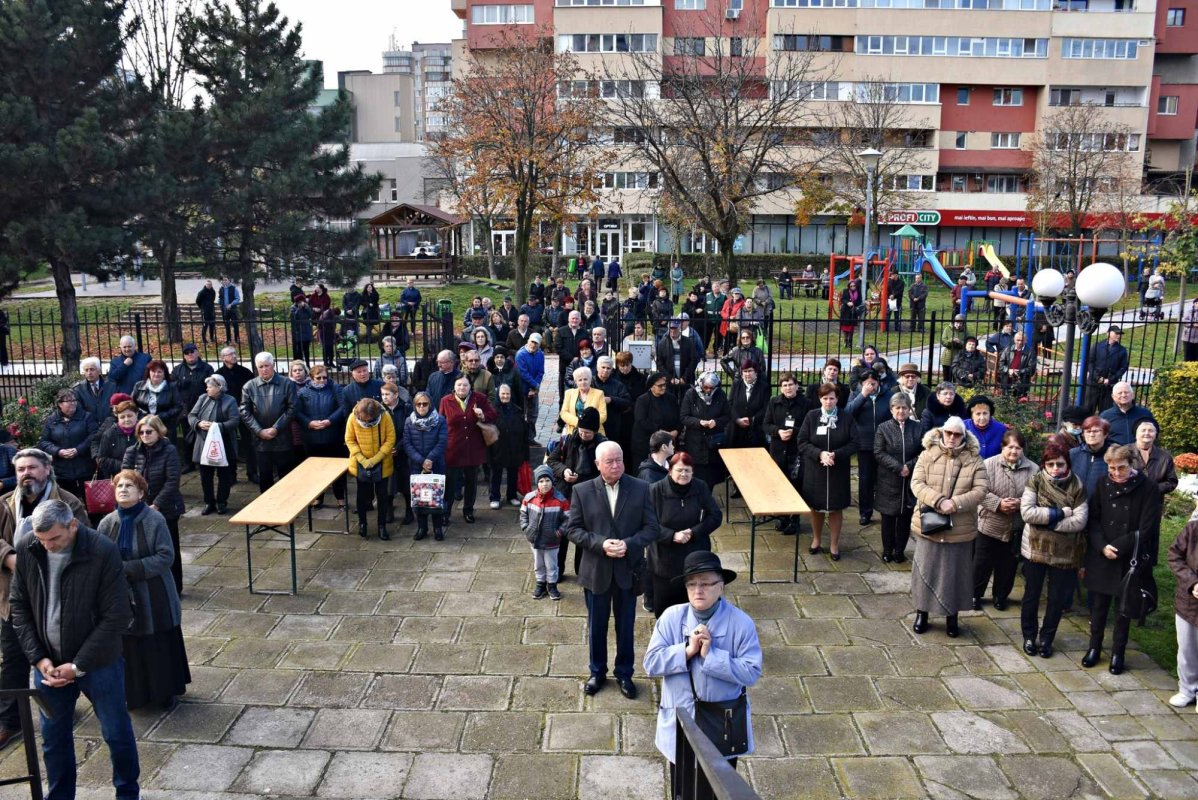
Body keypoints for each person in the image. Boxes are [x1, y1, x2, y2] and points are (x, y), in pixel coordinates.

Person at [10, 499, 139, 800]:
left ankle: (128, 794)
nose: (48, 546)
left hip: (99, 664)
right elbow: (19, 606)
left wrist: (77, 665)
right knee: (53, 741)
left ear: (73, 525)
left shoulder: (102, 551)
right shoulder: (30, 546)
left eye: (54, 538)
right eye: (42, 540)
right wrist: (38, 658)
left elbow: (117, 615)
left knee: (116, 733)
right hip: (48, 666)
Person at [643, 550, 762, 790]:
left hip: (722, 724)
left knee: (718, 787)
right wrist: (686, 651)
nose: (699, 590)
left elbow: (751, 672)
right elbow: (651, 664)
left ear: (721, 587)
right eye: (693, 584)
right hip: (681, 723)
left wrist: (712, 656)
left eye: (707, 583)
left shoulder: (741, 623)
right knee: (682, 787)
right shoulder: (670, 618)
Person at [0, 449, 89, 749]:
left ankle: (62, 705)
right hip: (13, 599)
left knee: (58, 655)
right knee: (11, 659)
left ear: (47, 469)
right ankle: (10, 721)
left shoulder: (68, 504)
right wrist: (10, 557)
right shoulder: (4, 504)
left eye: (32, 468)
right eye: (21, 469)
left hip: (54, 599)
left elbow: (84, 542)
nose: (26, 474)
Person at [564, 441, 659, 699]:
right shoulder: (582, 491)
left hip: (628, 571)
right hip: (596, 571)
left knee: (626, 626)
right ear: (597, 464)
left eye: (619, 460)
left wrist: (628, 545)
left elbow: (652, 528)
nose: (616, 465)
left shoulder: (640, 488)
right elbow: (573, 530)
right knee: (596, 626)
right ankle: (597, 672)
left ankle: (625, 673)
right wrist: (601, 544)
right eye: (609, 461)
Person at [97, 469, 189, 710]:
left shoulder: (154, 519)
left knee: (157, 641)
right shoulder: (107, 523)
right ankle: (135, 694)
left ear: (141, 492)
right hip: (121, 594)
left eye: (129, 486)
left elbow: (165, 556)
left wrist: (129, 569)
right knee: (129, 646)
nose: (124, 490)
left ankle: (164, 692)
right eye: (119, 486)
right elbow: (99, 558)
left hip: (154, 591)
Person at [1082, 444, 1162, 675]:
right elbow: (1093, 519)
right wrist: (1101, 546)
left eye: (1122, 468)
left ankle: (1118, 652)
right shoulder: (1102, 483)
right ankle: (1094, 647)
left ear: (1132, 465)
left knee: (1122, 609)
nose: (1116, 473)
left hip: (1129, 556)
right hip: (1102, 555)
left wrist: (1117, 547)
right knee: (1098, 607)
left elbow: (1147, 527)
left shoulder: (1147, 488)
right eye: (1112, 468)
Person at [909, 416, 988, 638]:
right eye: (948, 433)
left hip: (959, 528)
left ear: (964, 436)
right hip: (929, 524)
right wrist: (938, 500)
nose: (952, 438)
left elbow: (981, 490)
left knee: (955, 575)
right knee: (925, 570)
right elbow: (916, 483)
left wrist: (956, 503)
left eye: (957, 434)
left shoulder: (974, 459)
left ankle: (951, 618)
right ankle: (921, 613)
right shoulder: (927, 455)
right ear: (942, 432)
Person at [1020, 440, 1089, 659]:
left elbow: (1080, 521)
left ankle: (1047, 639)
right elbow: (1027, 513)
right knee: (1031, 594)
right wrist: (1059, 514)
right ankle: (1029, 636)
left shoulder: (1077, 485)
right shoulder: (1035, 481)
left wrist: (1049, 523)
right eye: (1050, 464)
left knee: (1056, 599)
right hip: (1035, 548)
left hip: (1065, 552)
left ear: (1067, 464)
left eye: (1060, 464)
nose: (1055, 469)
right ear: (1044, 465)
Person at [647, 454, 723, 619]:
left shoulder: (700, 487)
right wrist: (671, 535)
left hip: (693, 554)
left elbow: (715, 516)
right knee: (665, 609)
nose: (684, 474)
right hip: (664, 558)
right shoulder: (655, 490)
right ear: (670, 471)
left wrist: (694, 532)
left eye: (688, 471)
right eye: (679, 470)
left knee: (692, 606)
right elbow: (646, 523)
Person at [121, 414, 184, 593]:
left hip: (166, 507)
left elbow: (172, 480)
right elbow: (125, 478)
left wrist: (156, 505)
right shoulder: (132, 451)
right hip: (139, 507)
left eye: (149, 432)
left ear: (159, 431)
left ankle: (175, 588)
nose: (145, 435)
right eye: (141, 432)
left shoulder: (169, 450)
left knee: (169, 547)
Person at [973, 429, 1035, 612]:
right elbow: (979, 491)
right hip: (989, 523)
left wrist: (1020, 503)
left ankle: (1000, 596)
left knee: (1007, 565)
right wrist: (998, 503)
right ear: (1003, 447)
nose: (1013, 451)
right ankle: (974, 595)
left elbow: (1038, 495)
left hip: (1015, 525)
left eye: (1017, 448)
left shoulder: (1033, 469)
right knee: (981, 563)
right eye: (1010, 447)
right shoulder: (988, 464)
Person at [796, 383, 859, 559]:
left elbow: (855, 443)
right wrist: (819, 454)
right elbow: (802, 442)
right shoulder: (812, 416)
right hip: (815, 471)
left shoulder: (846, 417)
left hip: (838, 471)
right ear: (820, 399)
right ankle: (816, 539)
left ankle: (834, 544)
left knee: (835, 508)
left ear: (837, 399)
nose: (829, 402)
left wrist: (836, 455)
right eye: (825, 398)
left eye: (832, 398)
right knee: (816, 507)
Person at [547, 407, 606, 578]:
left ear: (595, 431)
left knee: (583, 536)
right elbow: (552, 460)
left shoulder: (602, 445)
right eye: (581, 431)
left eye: (587, 433)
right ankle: (558, 570)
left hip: (589, 496)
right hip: (567, 493)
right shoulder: (568, 441)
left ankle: (582, 571)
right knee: (562, 533)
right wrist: (564, 471)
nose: (583, 435)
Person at [440, 375, 497, 524]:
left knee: (471, 482)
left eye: (465, 385)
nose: (462, 388)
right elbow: (440, 422)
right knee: (450, 483)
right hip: (453, 449)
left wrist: (483, 415)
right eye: (459, 385)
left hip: (473, 448)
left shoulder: (480, 398)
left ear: (470, 387)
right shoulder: (446, 401)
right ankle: (446, 512)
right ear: (454, 386)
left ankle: (468, 510)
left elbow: (493, 414)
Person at [239, 352, 297, 493]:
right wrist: (259, 431)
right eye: (261, 366)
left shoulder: (287, 384)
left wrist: (276, 428)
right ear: (256, 367)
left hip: (282, 437)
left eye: (267, 366)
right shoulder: (249, 386)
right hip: (260, 440)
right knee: (265, 475)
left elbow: (292, 408)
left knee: (285, 474)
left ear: (273, 365)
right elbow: (244, 411)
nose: (264, 369)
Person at [874, 393, 922, 563]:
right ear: (891, 410)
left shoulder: (918, 427)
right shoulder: (883, 428)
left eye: (904, 408)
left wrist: (909, 466)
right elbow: (879, 452)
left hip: (910, 479)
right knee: (888, 517)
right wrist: (898, 467)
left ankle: (899, 550)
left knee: (905, 517)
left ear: (910, 410)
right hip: (888, 478)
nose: (901, 411)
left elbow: (924, 451)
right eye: (897, 408)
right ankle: (887, 549)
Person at [187, 375, 240, 516]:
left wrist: (217, 426)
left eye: (210, 387)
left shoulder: (230, 400)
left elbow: (235, 421)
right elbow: (191, 415)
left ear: (219, 388)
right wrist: (198, 423)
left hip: (224, 443)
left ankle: (222, 501)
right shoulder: (202, 398)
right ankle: (209, 501)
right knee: (205, 475)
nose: (207, 389)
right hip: (203, 443)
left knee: (224, 475)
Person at [763, 373, 809, 533]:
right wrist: (778, 432)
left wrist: (794, 432)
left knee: (796, 484)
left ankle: (794, 520)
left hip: (796, 450)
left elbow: (809, 426)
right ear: (781, 388)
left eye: (791, 384)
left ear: (796, 386)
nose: (788, 388)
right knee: (780, 484)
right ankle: (782, 517)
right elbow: (766, 424)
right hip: (778, 449)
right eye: (785, 385)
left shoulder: (806, 403)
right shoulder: (774, 403)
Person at [345, 397, 397, 541]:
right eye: (364, 420)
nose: (366, 422)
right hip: (361, 463)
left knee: (382, 496)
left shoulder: (385, 417)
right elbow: (349, 439)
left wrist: (376, 459)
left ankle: (382, 526)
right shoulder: (353, 417)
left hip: (381, 463)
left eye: (370, 420)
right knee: (362, 497)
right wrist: (362, 459)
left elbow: (390, 439)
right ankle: (363, 524)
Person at [520, 464, 570, 601]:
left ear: (552, 481)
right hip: (534, 539)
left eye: (547, 480)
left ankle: (552, 585)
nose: (545, 484)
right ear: (537, 483)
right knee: (538, 564)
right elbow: (523, 514)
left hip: (552, 540)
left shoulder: (560, 500)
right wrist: (526, 528)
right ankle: (540, 584)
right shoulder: (529, 498)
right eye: (541, 481)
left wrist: (559, 532)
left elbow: (567, 519)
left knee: (552, 564)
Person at [38, 389, 98, 500]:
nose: (73, 403)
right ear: (60, 404)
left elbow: (94, 435)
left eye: (74, 400)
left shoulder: (86, 417)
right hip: (62, 470)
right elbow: (43, 442)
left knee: (91, 503)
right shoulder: (52, 420)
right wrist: (58, 451)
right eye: (68, 401)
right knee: (68, 504)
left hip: (85, 467)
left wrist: (78, 450)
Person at [404, 392, 448, 541]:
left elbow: (442, 442)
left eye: (425, 404)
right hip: (417, 466)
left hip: (436, 464)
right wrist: (421, 460)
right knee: (419, 498)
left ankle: (437, 528)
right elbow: (407, 444)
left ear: (430, 404)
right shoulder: (409, 421)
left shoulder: (440, 420)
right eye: (418, 404)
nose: (422, 407)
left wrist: (430, 459)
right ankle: (422, 527)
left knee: (436, 497)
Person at [680, 372, 731, 489]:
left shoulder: (720, 395)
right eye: (705, 387)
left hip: (713, 443)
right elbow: (684, 417)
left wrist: (716, 422)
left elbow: (727, 416)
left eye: (711, 388)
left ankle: (707, 500)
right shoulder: (691, 394)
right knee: (696, 477)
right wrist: (699, 422)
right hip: (695, 442)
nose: (708, 390)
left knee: (710, 478)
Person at [1167, 517, 1198, 709]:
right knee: (1186, 648)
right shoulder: (1193, 529)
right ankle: (1187, 688)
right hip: (1187, 602)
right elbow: (1174, 555)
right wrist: (1193, 583)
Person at [215, 346, 256, 483]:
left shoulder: (245, 372)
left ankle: (252, 472)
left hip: (245, 411)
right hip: (227, 415)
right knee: (229, 444)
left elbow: (252, 392)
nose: (234, 356)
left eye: (234, 353)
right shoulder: (219, 375)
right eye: (230, 354)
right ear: (223, 358)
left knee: (249, 443)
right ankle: (231, 475)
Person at [171, 344, 214, 464]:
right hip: (185, 408)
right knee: (186, 436)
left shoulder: (207, 368)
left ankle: (204, 461)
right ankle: (188, 462)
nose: (190, 354)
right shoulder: (177, 370)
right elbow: (172, 386)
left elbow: (211, 386)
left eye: (192, 351)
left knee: (203, 435)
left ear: (198, 353)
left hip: (203, 407)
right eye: (187, 353)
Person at [489, 383, 529, 509]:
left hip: (514, 448)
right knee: (496, 474)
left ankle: (512, 495)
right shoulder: (492, 410)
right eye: (503, 394)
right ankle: (494, 497)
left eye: (507, 394)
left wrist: (525, 451)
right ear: (498, 394)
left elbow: (524, 431)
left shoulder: (517, 410)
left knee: (513, 473)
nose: (505, 396)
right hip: (497, 448)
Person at [631, 372, 682, 468]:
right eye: (660, 385)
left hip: (668, 443)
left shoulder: (671, 398)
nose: (663, 387)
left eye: (664, 384)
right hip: (646, 444)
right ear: (651, 386)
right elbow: (641, 421)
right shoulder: (642, 400)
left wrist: (676, 430)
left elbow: (679, 418)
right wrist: (661, 432)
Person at [94, 400, 140, 481]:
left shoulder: (143, 431)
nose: (126, 419)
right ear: (117, 417)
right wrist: (124, 465)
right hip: (118, 478)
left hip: (141, 476)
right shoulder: (109, 434)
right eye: (122, 417)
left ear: (136, 414)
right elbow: (102, 459)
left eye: (129, 416)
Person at [1099, 381, 1157, 446]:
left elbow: (1154, 435)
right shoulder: (1105, 416)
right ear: (1113, 397)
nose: (1123, 395)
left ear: (1133, 395)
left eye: (1126, 392)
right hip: (1115, 454)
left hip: (1139, 453)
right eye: (1120, 393)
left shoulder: (1145, 414)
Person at [1085, 327, 1128, 413]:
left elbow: (1123, 368)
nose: (1118, 336)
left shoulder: (1122, 350)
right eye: (1116, 333)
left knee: (1105, 412)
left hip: (1109, 386)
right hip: (1093, 384)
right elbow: (1090, 362)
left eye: (1119, 334)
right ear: (1108, 333)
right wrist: (1097, 378)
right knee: (1087, 410)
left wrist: (1111, 379)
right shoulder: (1097, 346)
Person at [1133, 418, 1178, 497]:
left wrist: (1153, 489)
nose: (1147, 433)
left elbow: (1172, 481)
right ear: (1136, 433)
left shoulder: (1165, 457)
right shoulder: (1123, 453)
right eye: (1143, 430)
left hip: (1154, 503)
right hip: (1127, 502)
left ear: (1156, 434)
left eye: (1151, 430)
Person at [1071, 416, 1112, 498]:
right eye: (1088, 431)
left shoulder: (1112, 456)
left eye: (1096, 431)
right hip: (1076, 505)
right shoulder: (1073, 454)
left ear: (1105, 434)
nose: (1091, 435)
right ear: (1083, 434)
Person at [560, 366, 607, 436]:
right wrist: (579, 422)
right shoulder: (569, 393)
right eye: (580, 380)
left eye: (585, 379)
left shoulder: (599, 394)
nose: (583, 382)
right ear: (576, 382)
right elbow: (563, 413)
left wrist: (587, 424)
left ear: (590, 380)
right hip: (572, 432)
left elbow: (603, 415)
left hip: (594, 433)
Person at [516, 333, 544, 437]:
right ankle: (521, 437)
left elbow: (541, 372)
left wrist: (535, 387)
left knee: (533, 415)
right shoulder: (520, 354)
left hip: (534, 389)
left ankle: (531, 437)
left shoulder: (540, 354)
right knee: (522, 414)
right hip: (522, 388)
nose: (533, 344)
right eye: (532, 342)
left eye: (536, 343)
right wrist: (535, 385)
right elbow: (523, 373)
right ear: (528, 341)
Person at [964, 394, 1007, 460]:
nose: (982, 418)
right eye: (978, 414)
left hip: (994, 467)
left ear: (990, 414)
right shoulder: (963, 427)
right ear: (972, 415)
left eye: (985, 413)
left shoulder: (1001, 429)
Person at [74, 357, 117, 422]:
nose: (89, 373)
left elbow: (116, 408)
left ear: (99, 370)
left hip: (109, 425)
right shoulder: (78, 389)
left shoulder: (112, 386)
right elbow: (79, 412)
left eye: (92, 369)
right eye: (86, 370)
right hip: (89, 427)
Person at [998, 330, 1036, 399]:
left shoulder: (1030, 352)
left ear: (1025, 341)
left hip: (1022, 381)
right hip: (1007, 379)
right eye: (1018, 340)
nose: (1020, 342)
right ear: (1014, 340)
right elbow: (1001, 365)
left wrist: (1018, 371)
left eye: (1022, 340)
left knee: (1020, 401)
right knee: (1005, 400)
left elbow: (1031, 369)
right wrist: (1008, 370)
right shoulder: (1008, 349)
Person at [939, 314, 969, 383]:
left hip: (959, 358)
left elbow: (967, 344)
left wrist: (960, 342)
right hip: (947, 358)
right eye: (957, 323)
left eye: (961, 323)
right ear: (954, 322)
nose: (959, 325)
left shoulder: (965, 332)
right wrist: (951, 340)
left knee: (957, 380)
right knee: (947, 380)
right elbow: (943, 341)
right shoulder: (947, 329)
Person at [838, 279, 862, 347]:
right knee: (845, 328)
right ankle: (845, 341)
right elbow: (843, 299)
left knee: (851, 328)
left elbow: (859, 301)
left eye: (854, 286)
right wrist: (847, 302)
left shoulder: (858, 292)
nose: (852, 287)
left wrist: (854, 304)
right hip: (845, 311)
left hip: (853, 312)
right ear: (849, 286)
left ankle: (850, 342)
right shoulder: (845, 291)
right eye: (851, 286)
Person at [219, 277, 241, 344]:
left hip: (233, 309)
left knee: (235, 324)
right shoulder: (221, 289)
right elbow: (220, 298)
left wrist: (231, 304)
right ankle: (228, 339)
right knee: (227, 325)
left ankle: (237, 339)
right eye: (223, 280)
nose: (224, 281)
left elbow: (237, 298)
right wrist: (220, 303)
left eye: (226, 280)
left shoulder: (233, 288)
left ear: (229, 280)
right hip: (225, 310)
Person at [1183, 297, 1198, 362]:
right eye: (1197, 303)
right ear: (1194, 304)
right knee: (1188, 355)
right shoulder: (1189, 312)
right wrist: (1192, 324)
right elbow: (1184, 321)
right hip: (1188, 336)